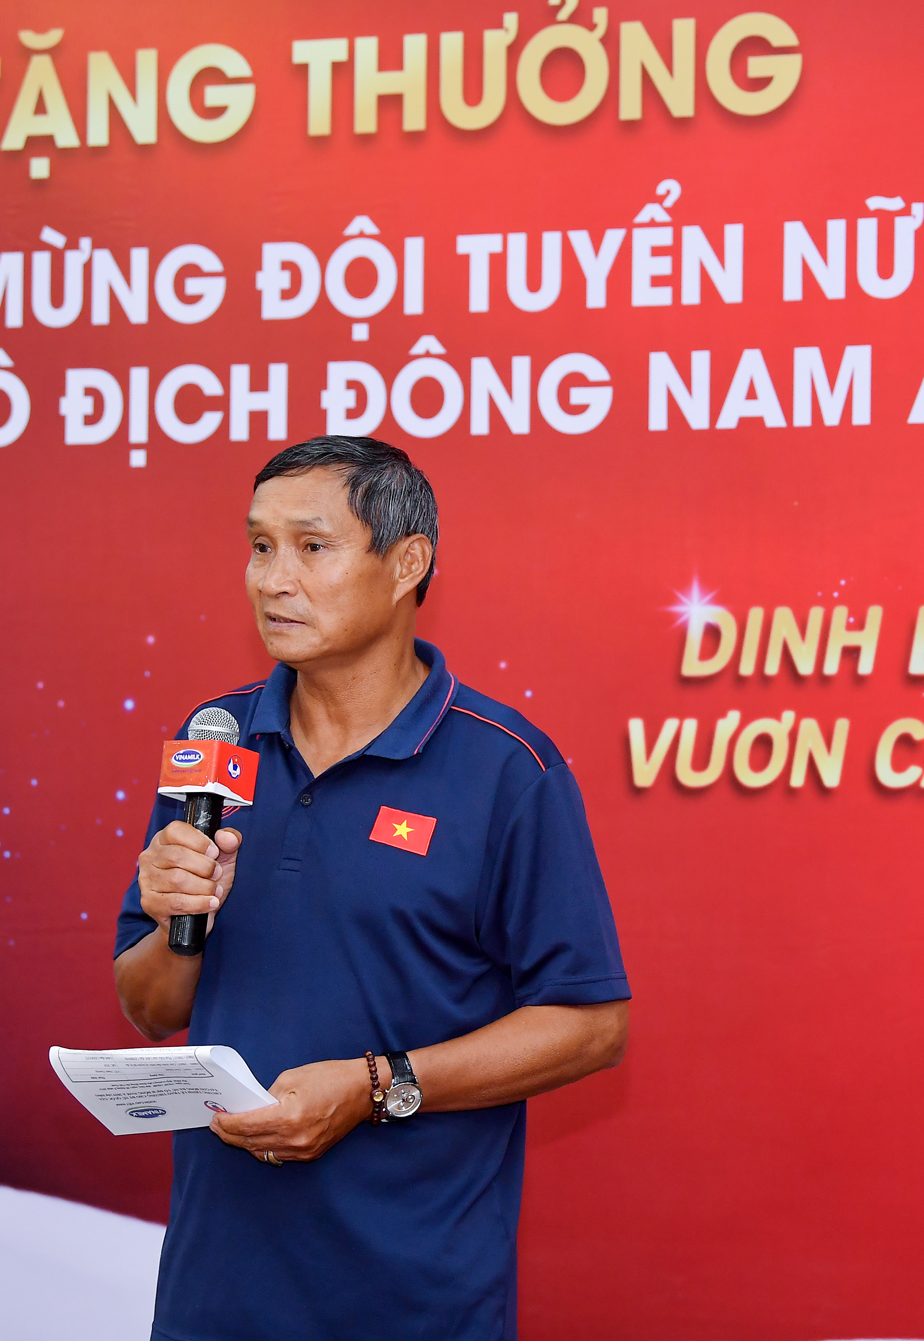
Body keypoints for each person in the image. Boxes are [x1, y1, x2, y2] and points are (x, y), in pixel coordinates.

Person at [112, 437, 629, 1341]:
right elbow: (150, 1006)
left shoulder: (506, 769)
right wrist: (178, 918)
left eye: (311, 546)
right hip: (215, 1295)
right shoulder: (215, 743)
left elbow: (592, 1025)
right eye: (260, 545)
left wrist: (375, 1085)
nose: (273, 580)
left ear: (407, 563)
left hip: (413, 1301)